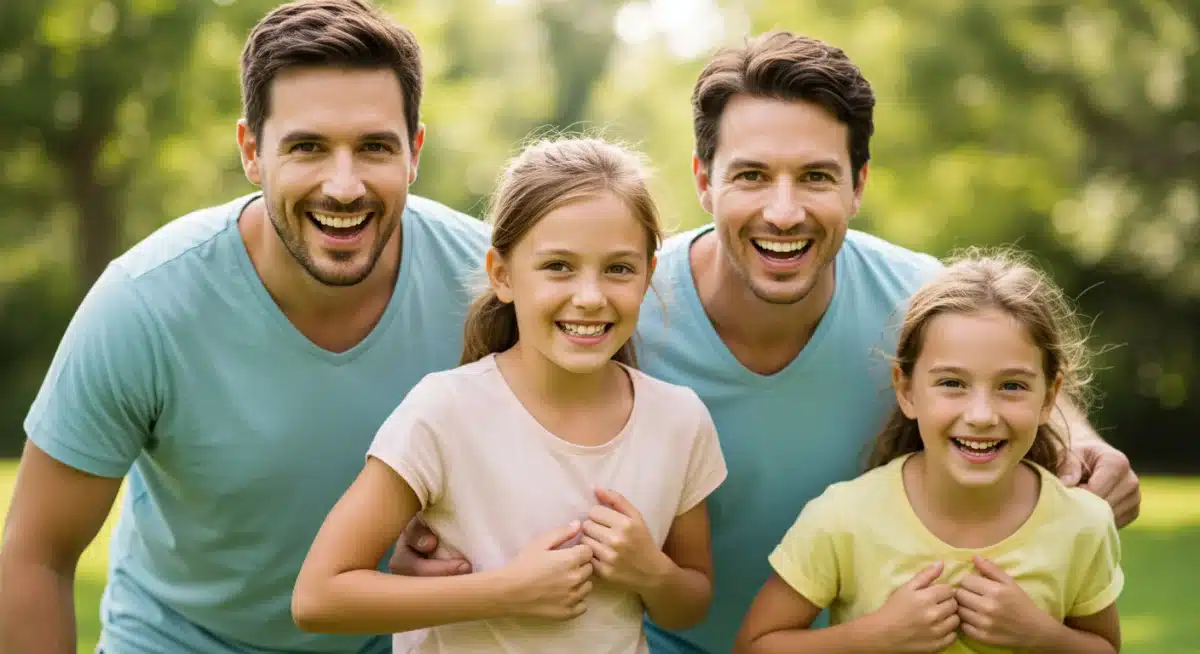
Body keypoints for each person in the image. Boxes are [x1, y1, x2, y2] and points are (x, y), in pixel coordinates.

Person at [395, 30, 1143, 654]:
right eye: (751, 175)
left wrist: (1079, 436)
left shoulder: (915, 298)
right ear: (704, 180)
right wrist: (436, 536)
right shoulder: (618, 307)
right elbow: (488, 418)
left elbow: (1008, 357)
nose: (783, 211)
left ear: (858, 184)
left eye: (816, 177)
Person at [0, 1, 491, 652]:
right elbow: (36, 555)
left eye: (373, 146)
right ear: (252, 152)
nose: (342, 186)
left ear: (414, 153)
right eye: (308, 147)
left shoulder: (491, 288)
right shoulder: (146, 304)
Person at [290, 136, 727, 653]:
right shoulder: (445, 412)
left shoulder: (679, 420)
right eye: (558, 266)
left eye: (619, 269)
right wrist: (505, 592)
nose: (590, 297)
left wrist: (650, 572)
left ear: (649, 274)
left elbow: (691, 602)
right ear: (503, 274)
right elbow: (319, 598)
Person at [734, 250, 1122, 654]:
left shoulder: (1083, 524)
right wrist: (874, 637)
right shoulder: (842, 518)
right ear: (906, 390)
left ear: (1049, 397)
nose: (981, 416)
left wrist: (1041, 637)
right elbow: (754, 647)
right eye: (952, 383)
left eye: (1012, 386)